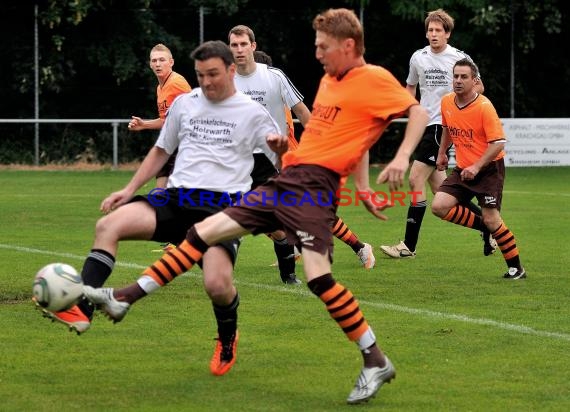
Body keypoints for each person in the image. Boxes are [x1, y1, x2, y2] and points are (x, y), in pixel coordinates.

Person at [83, 9, 429, 404]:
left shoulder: (374, 78)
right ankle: (123, 297)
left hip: (314, 190)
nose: (316, 53)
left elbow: (415, 112)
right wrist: (364, 187)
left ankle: (375, 359)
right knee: (202, 233)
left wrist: (402, 158)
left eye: (322, 46)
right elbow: (358, 134)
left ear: (347, 45)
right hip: (286, 181)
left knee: (318, 278)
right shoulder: (332, 81)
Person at [35, 37, 288, 369]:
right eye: (200, 75)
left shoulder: (252, 113)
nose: (207, 82)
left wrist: (280, 149)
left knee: (217, 284)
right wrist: (129, 189)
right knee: (108, 225)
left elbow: (282, 162)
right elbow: (161, 150)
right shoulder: (187, 104)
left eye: (213, 74)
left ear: (229, 70)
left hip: (219, 210)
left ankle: (227, 338)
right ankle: (82, 309)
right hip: (176, 200)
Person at [380, 9, 496, 259]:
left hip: (441, 126)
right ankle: (489, 227)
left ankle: (408, 246)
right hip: (424, 125)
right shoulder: (418, 58)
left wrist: (462, 109)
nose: (433, 34)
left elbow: (480, 87)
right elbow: (410, 87)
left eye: (438, 30)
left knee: (414, 179)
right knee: (445, 192)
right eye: (430, 30)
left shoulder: (459, 58)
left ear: (447, 33)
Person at [229, 25, 311, 284]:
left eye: (243, 44)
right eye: (234, 45)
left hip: (267, 160)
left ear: (253, 46)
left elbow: (301, 111)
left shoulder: (274, 76)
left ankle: (288, 276)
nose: (239, 49)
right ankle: (220, 275)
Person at [432, 58, 526, 279]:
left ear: (475, 81)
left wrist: (476, 166)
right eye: (455, 76)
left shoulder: (484, 106)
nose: (458, 80)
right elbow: (447, 128)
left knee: (493, 219)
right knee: (439, 206)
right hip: (464, 168)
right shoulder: (446, 102)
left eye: (464, 77)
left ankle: (516, 268)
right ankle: (485, 228)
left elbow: (498, 143)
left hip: (489, 170)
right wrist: (442, 152)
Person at [127, 44, 192, 188]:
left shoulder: (177, 83)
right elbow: (166, 120)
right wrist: (144, 125)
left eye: (162, 60)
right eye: (154, 60)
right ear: (150, 64)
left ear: (171, 62)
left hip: (185, 147)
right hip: (171, 145)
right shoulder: (160, 87)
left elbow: (196, 114)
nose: (157, 64)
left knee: (175, 198)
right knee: (161, 194)